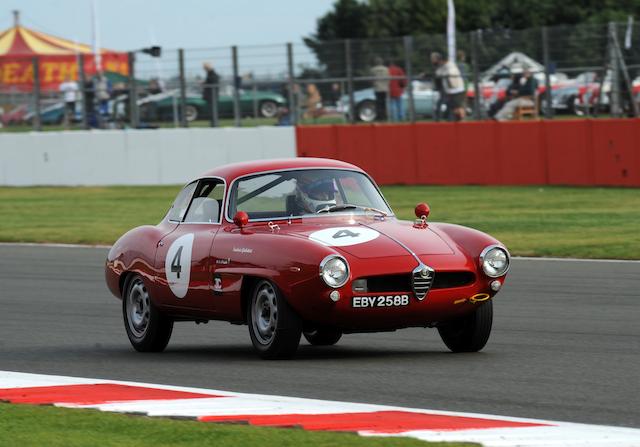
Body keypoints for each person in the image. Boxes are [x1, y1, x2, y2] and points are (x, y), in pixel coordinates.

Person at [432, 52, 466, 121]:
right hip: (450, 91)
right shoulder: (442, 67)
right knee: (454, 108)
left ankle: (462, 120)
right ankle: (456, 119)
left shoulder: (450, 65)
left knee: (458, 107)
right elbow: (437, 74)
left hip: (457, 90)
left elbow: (450, 73)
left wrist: (442, 73)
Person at [370, 56, 389, 121]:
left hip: (377, 87)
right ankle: (384, 116)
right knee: (384, 102)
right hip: (384, 88)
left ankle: (379, 116)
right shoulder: (386, 69)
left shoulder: (373, 69)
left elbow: (371, 79)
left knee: (378, 102)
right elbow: (388, 78)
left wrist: (373, 84)